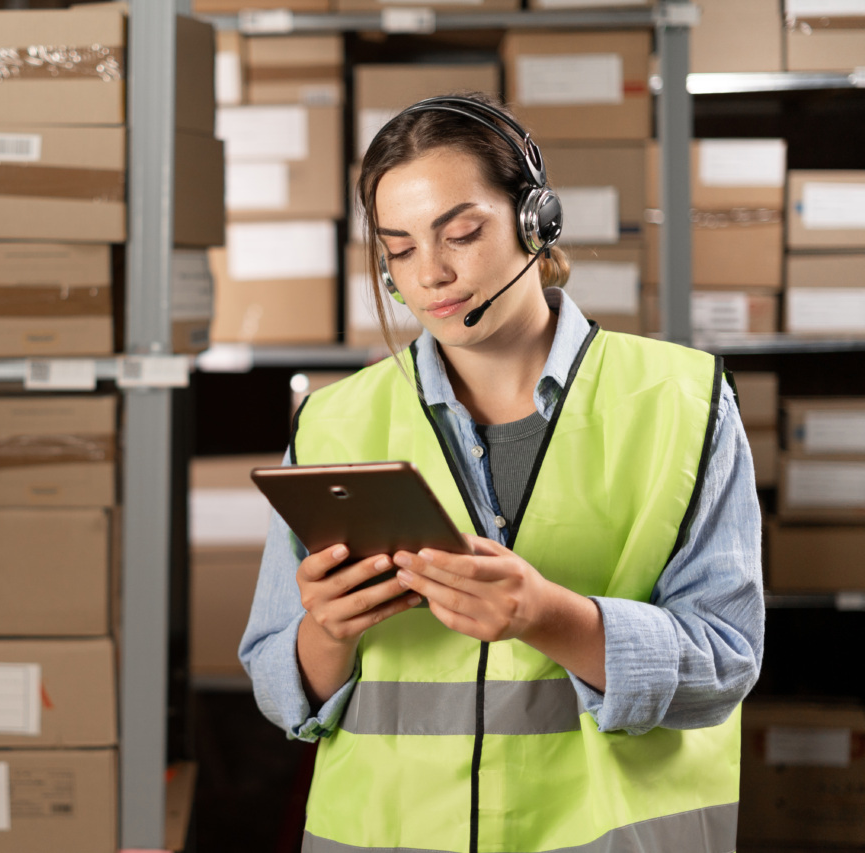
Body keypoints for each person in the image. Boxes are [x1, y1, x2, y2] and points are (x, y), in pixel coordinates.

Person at [238, 92, 764, 853]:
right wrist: (328, 630)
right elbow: (278, 681)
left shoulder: (683, 401)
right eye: (401, 248)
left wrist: (548, 615)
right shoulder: (331, 424)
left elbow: (725, 657)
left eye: (461, 233)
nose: (434, 274)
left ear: (535, 222)